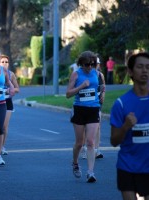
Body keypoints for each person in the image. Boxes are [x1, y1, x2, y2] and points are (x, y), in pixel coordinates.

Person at [110, 52, 149, 200]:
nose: (145, 70)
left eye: (148, 67)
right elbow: (114, 141)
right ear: (131, 71)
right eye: (140, 67)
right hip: (128, 166)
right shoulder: (121, 104)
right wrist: (126, 126)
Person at [66, 51, 101, 183]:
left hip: (93, 109)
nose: (90, 67)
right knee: (79, 143)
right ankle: (75, 163)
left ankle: (90, 172)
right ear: (81, 64)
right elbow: (68, 94)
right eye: (87, 64)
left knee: (90, 142)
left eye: (93, 64)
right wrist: (81, 86)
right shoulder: (76, 74)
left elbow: (100, 87)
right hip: (79, 110)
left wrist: (101, 94)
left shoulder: (96, 73)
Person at [80, 57, 105, 159]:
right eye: (93, 64)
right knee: (86, 128)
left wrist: (103, 95)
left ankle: (96, 150)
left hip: (96, 104)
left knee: (97, 126)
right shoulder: (83, 75)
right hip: (84, 104)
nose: (95, 66)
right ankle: (84, 149)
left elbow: (103, 87)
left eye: (96, 64)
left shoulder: (100, 75)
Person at [0, 55, 20, 155]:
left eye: (6, 62)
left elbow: (17, 89)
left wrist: (10, 89)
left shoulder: (11, 74)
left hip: (7, 101)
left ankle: (2, 146)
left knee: (4, 127)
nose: (4, 64)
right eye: (2, 62)